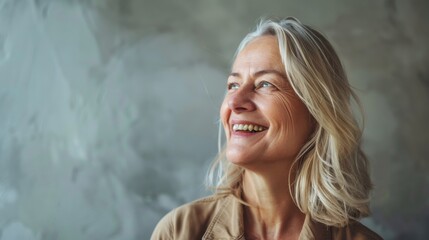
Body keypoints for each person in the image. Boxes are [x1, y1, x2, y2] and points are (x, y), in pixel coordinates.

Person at [151, 17, 383, 240]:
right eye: (233, 85)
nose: (234, 102)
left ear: (316, 111)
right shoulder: (178, 232)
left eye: (265, 84)